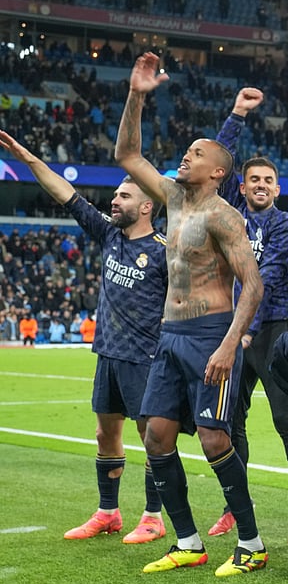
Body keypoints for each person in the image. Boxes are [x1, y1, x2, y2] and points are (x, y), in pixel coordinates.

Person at [115, 52, 268, 577]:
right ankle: (188, 541)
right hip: (170, 333)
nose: (186, 155)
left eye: (196, 153)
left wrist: (229, 343)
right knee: (155, 434)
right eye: (186, 150)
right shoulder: (174, 198)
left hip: (209, 334)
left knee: (213, 438)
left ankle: (251, 542)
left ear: (218, 171)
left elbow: (254, 283)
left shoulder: (225, 216)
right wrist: (137, 94)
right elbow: (128, 153)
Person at [0, 130, 168, 545]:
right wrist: (25, 157)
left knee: (153, 439)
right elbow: (65, 193)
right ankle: (108, 512)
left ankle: (152, 516)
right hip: (108, 353)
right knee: (104, 434)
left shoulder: (166, 249)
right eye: (114, 195)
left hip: (144, 357)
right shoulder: (108, 233)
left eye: (124, 196)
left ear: (147, 206)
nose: (115, 200)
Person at [208, 88, 288, 546]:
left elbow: (268, 279)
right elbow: (212, 164)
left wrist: (245, 333)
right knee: (229, 422)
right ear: (242, 185)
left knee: (285, 420)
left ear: (277, 188)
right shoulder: (231, 217)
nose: (259, 185)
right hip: (239, 329)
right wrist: (235, 115)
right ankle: (237, 507)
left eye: (267, 180)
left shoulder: (284, 226)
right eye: (252, 178)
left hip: (270, 330)